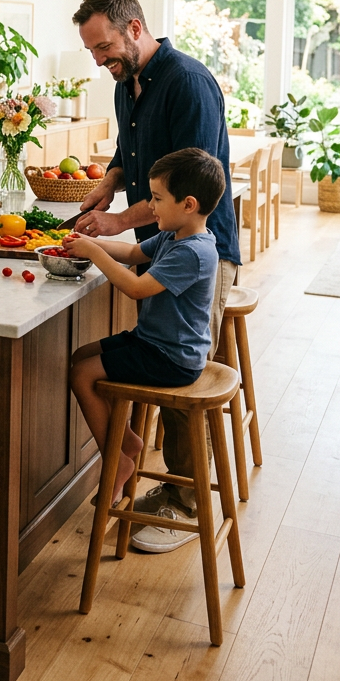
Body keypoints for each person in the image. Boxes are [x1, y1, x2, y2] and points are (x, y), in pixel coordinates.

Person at [72, 0, 241, 553]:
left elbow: (186, 191)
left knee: (180, 370)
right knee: (156, 353)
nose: (100, 60)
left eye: (105, 47)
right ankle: (140, 468)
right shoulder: (128, 83)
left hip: (198, 253)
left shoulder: (187, 84)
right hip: (159, 248)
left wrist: (118, 226)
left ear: (136, 28)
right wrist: (106, 186)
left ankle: (186, 498)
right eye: (93, 51)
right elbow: (130, 154)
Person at [66, 149, 223, 508]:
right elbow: (134, 254)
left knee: (82, 374)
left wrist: (93, 253)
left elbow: (136, 287)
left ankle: (118, 457)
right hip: (153, 342)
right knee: (80, 357)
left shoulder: (194, 252)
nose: (150, 206)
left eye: (156, 198)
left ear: (188, 204)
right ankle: (130, 441)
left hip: (171, 358)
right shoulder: (174, 235)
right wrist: (88, 243)